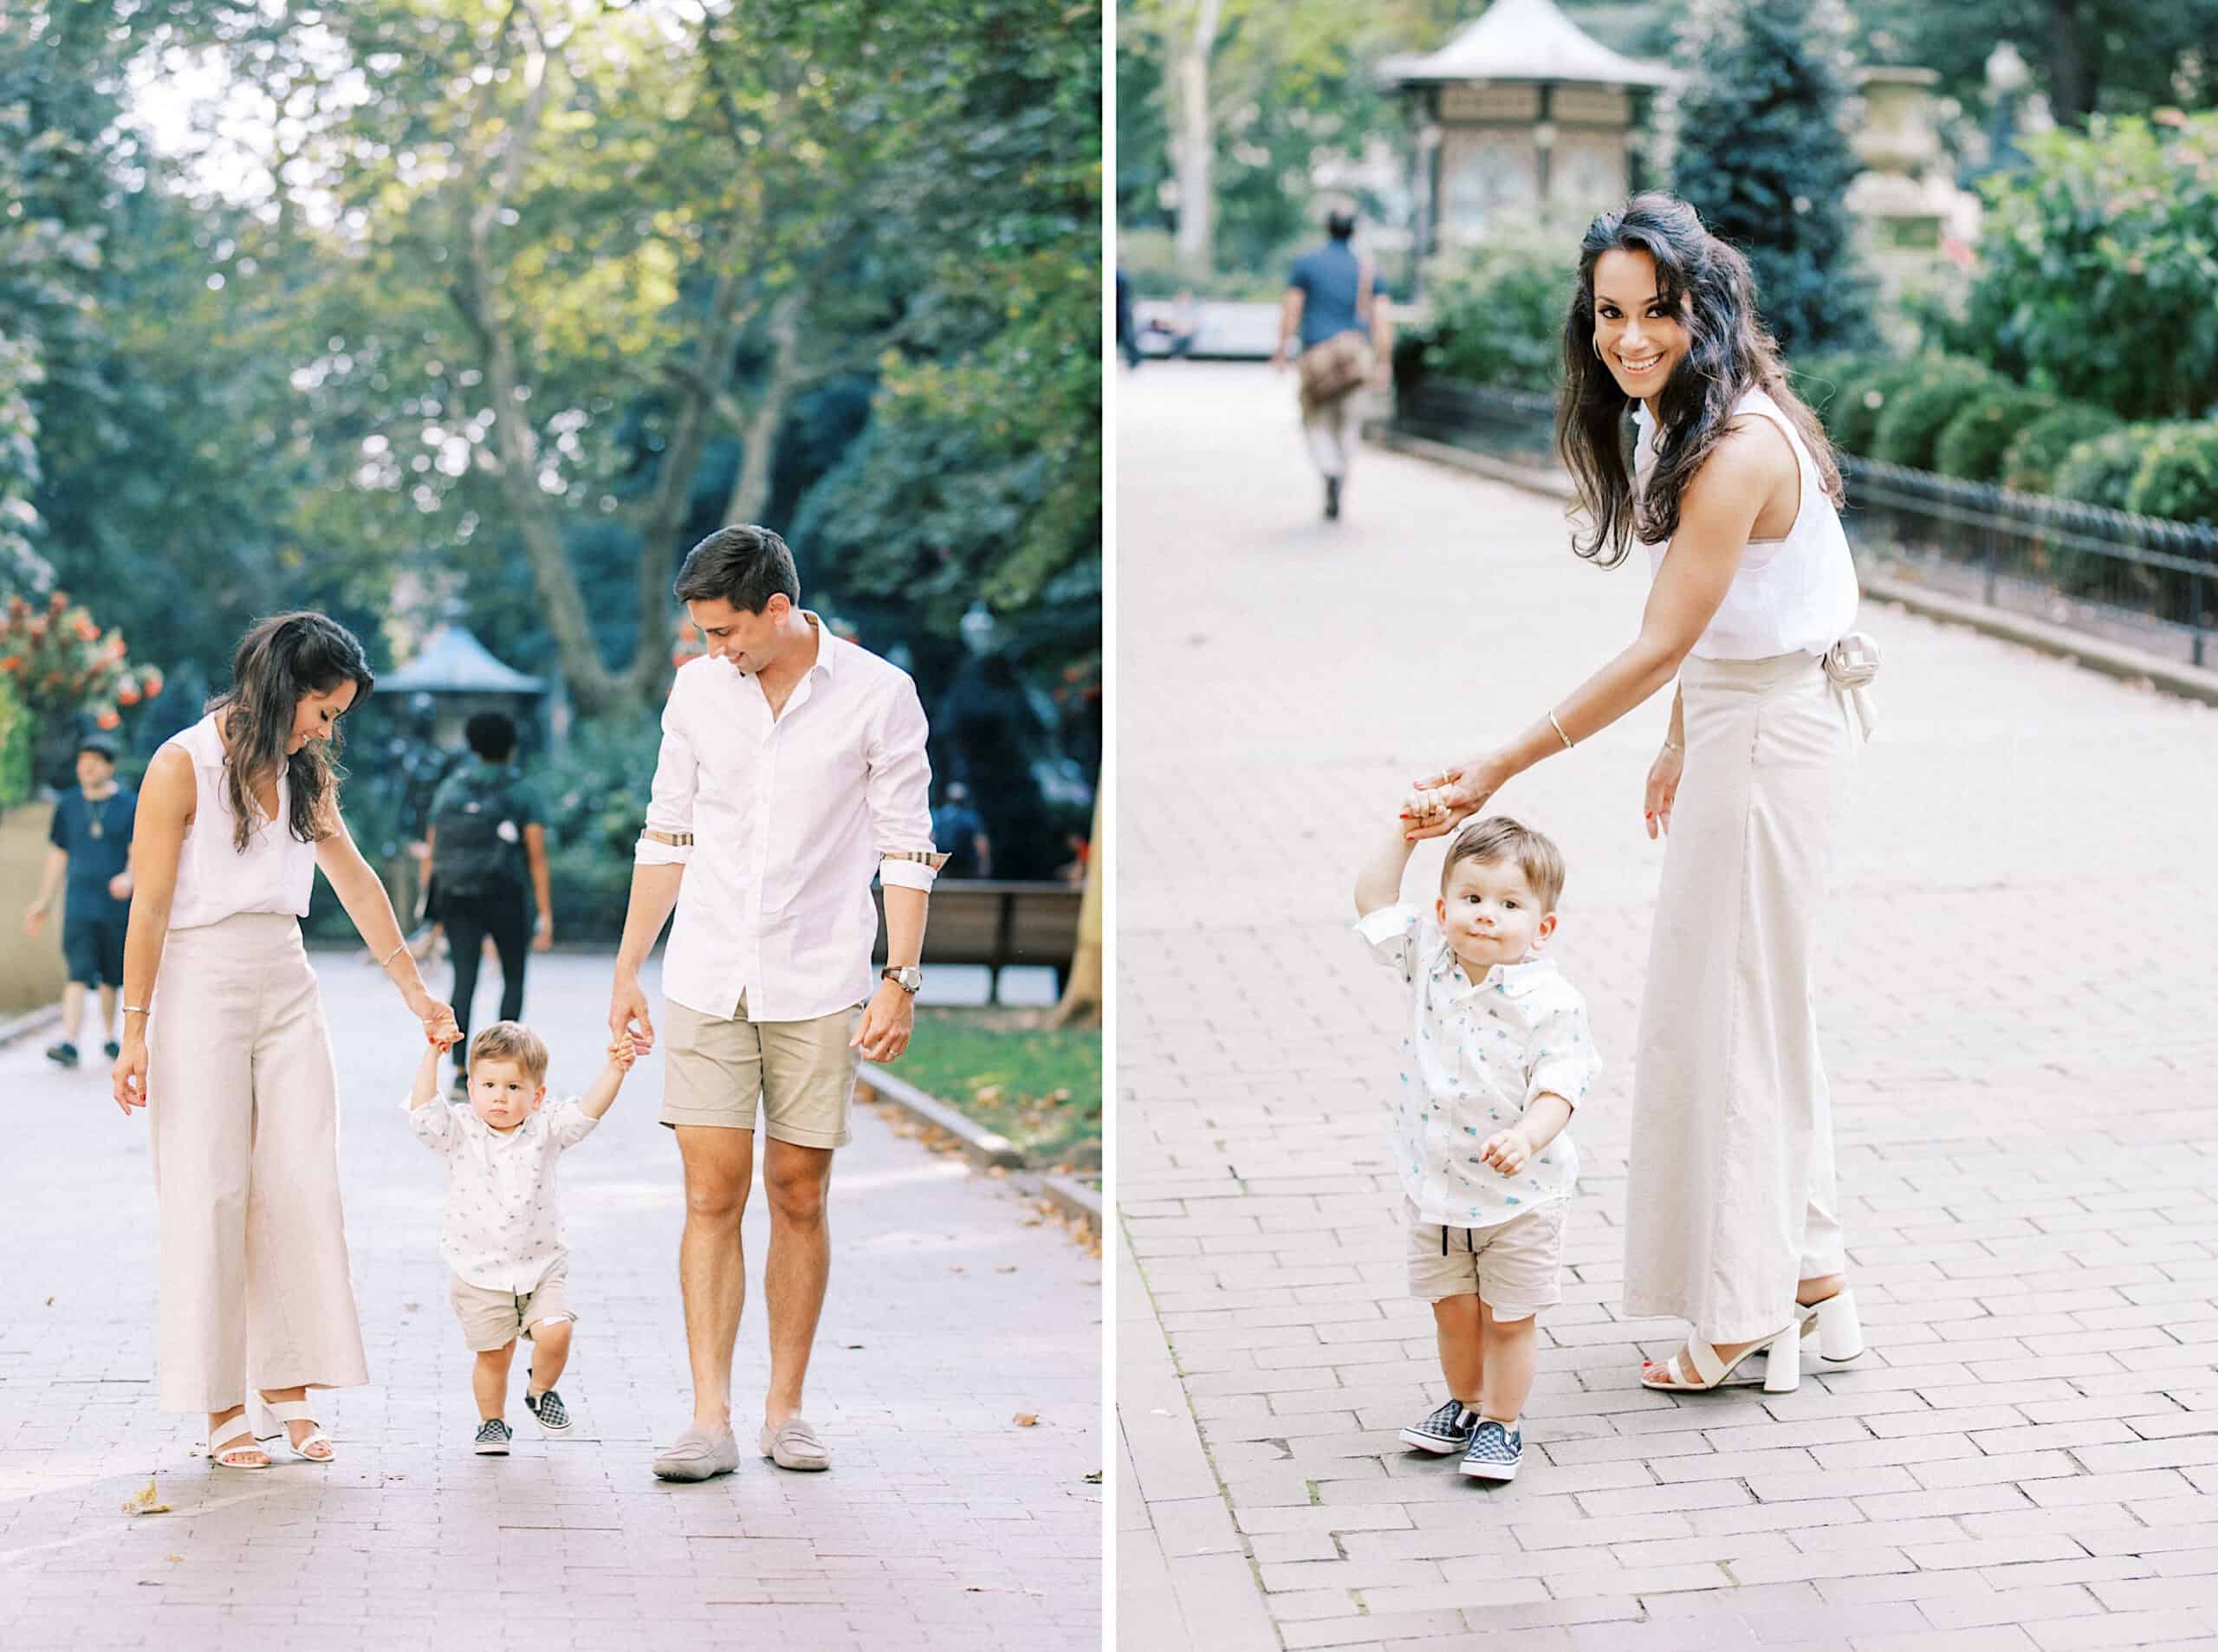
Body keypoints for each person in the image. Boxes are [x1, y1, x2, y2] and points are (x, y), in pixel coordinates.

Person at [1406, 193, 1878, 1395]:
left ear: (1703, 307)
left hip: (1770, 736)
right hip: (1744, 720)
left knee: (1732, 1017)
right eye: (1611, 313)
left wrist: (1504, 760)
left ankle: (1743, 1312)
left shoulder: (1739, 447)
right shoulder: (1698, 421)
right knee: (1751, 1006)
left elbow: (1667, 637)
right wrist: (1679, 733)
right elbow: (1711, 627)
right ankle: (1813, 1273)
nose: (1630, 337)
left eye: (1657, 311)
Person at [609, 524, 944, 1482]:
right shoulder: (696, 692)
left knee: (799, 1192)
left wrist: (900, 974)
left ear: (778, 610)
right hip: (708, 972)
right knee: (710, 1190)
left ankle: (784, 1410)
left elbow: (905, 842)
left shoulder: (879, 695)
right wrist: (630, 965)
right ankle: (708, 1417)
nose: (714, 650)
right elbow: (666, 830)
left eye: (725, 631)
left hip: (817, 974)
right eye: (703, 634)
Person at [111, 611, 458, 1470]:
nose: (326, 728)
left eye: (335, 716)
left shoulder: (303, 771)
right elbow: (149, 906)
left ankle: (288, 1385)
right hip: (198, 982)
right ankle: (222, 1402)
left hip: (285, 979)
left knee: (300, 1183)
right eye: (323, 709)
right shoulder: (180, 765)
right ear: (282, 688)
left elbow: (355, 878)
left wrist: (415, 989)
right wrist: (134, 1030)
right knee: (213, 1190)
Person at [1354, 815, 1601, 1482]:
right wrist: (1404, 832)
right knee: (1454, 1310)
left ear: (1542, 927)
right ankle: (1464, 1403)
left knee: (1508, 1317)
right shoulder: (1427, 962)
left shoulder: (1551, 1001)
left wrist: (1527, 1135)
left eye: (1509, 904)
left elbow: (1562, 1084)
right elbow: (1373, 901)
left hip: (1520, 1198)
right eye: (1471, 899)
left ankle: (1502, 1421)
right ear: (1443, 908)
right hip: (1436, 1188)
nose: (1486, 916)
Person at [406, 1019, 637, 1454]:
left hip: (540, 1266)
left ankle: (540, 1390)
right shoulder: (458, 1129)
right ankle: (492, 1423)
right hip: (478, 1270)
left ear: (537, 1096)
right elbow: (421, 1116)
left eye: (514, 1088)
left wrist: (617, 1070)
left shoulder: (545, 1129)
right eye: (489, 1085)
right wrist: (433, 1055)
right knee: (494, 1355)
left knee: (556, 1330)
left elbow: (588, 1112)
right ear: (471, 1087)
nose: (500, 1097)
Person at [425, 710, 553, 1095]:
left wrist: (429, 905)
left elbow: (434, 848)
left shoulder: (451, 788)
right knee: (512, 977)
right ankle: (505, 1069)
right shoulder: (522, 792)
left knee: (464, 980)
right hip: (506, 897)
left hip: (458, 897)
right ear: (511, 748)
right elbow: (536, 857)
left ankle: (462, 1074)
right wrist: (545, 912)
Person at [1272, 202, 1390, 522]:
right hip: (1355, 356)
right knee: (1348, 423)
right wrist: (1384, 361)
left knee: (1315, 421)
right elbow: (1381, 318)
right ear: (1354, 230)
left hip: (1318, 357)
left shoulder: (1307, 264)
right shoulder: (1367, 268)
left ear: (1327, 228)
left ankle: (1330, 470)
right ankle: (1340, 472)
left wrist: (1282, 349)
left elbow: (1291, 309)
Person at [23, 735, 137, 1067]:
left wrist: (129, 877)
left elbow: (136, 851)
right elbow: (58, 855)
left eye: (95, 761)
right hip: (78, 907)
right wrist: (44, 901)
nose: (87, 767)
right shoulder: (68, 805)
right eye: (82, 760)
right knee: (76, 972)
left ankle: (109, 1036)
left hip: (115, 908)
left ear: (110, 767)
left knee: (110, 977)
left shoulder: (128, 805)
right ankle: (70, 1041)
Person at [930, 780, 991, 879]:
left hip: (944, 862)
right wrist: (985, 862)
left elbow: (932, 838)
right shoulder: (971, 817)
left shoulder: (939, 815)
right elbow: (981, 842)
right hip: (965, 864)